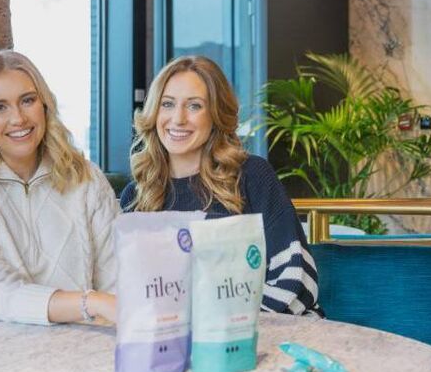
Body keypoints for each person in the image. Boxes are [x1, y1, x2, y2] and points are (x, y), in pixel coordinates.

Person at [120, 55, 322, 317]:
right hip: (171, 336)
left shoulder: (252, 176)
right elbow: (131, 293)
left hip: (265, 331)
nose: (178, 118)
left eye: (194, 106)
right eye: (167, 104)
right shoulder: (136, 196)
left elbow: (298, 280)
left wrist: (215, 320)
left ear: (216, 115)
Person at [0, 50, 119, 329]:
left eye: (28, 100)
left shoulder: (86, 178)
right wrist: (88, 303)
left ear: (44, 105)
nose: (18, 118)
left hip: (85, 343)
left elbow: (118, 281)